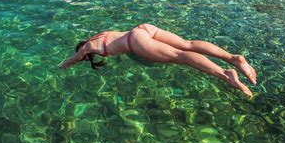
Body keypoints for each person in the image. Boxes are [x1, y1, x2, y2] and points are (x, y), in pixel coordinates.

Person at [59, 23, 256, 97]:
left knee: (182, 57)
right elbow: (116, 43)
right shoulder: (99, 35)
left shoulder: (86, 48)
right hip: (143, 28)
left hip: (136, 42)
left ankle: (226, 74)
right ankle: (233, 58)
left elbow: (73, 59)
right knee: (187, 44)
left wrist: (61, 66)